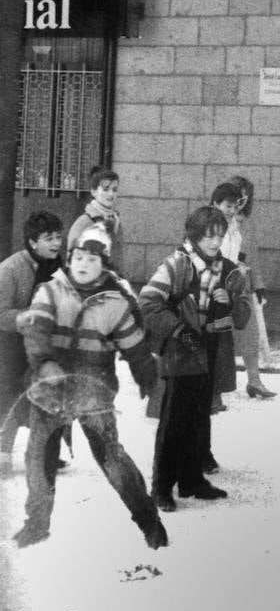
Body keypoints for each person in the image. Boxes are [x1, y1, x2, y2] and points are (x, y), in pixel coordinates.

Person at [12, 225, 166, 550]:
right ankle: (37, 524)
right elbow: (37, 330)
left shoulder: (116, 303)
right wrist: (44, 363)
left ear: (104, 264)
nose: (82, 264)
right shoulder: (51, 291)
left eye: (92, 259)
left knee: (112, 458)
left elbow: (134, 345)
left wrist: (146, 374)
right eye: (78, 257)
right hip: (50, 390)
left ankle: (148, 520)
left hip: (93, 390)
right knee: (39, 456)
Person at [140, 206, 250, 512]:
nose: (215, 242)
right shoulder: (177, 264)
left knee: (198, 419)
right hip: (180, 352)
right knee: (174, 420)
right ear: (194, 235)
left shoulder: (228, 270)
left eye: (219, 235)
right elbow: (147, 302)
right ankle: (161, 487)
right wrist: (178, 330)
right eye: (208, 236)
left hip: (210, 351)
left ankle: (191, 481)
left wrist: (227, 305)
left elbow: (242, 318)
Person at [0, 212, 64, 470]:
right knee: (10, 397)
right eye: (49, 238)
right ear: (32, 242)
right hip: (11, 346)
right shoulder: (10, 269)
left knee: (51, 395)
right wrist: (24, 317)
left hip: (46, 345)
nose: (56, 243)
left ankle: (46, 454)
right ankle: (3, 451)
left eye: (59, 237)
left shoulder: (60, 267)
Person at [224, 174, 276, 400]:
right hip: (215, 286)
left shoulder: (245, 222)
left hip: (241, 287)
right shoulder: (213, 218)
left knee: (250, 333)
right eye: (238, 197)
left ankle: (254, 381)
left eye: (246, 198)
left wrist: (259, 285)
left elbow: (251, 255)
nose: (241, 202)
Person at [208, 181, 244, 413]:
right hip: (208, 289)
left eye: (234, 206)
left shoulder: (235, 232)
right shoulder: (207, 227)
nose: (231, 211)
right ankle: (207, 393)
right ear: (215, 204)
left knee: (222, 342)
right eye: (227, 206)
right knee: (207, 342)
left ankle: (217, 390)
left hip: (226, 293)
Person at [68, 165, 124, 275]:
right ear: (93, 192)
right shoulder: (84, 223)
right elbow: (71, 263)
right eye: (106, 189)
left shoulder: (116, 221)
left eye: (115, 189)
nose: (111, 194)